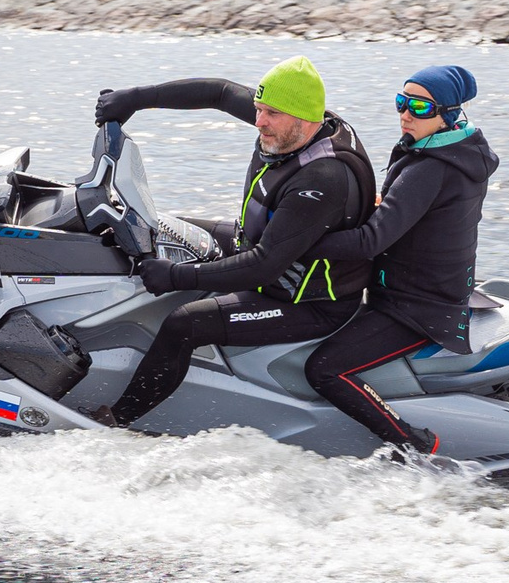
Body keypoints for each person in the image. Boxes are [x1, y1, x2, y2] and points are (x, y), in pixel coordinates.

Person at [91, 57, 379, 426]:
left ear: (304, 120)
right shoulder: (299, 119)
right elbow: (220, 92)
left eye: (270, 115)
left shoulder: (323, 178)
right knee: (161, 225)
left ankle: (115, 421)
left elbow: (262, 265)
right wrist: (135, 98)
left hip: (308, 301)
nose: (259, 122)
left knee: (184, 324)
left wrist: (176, 276)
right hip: (266, 249)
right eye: (258, 110)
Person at [301, 65, 498, 456]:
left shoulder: (432, 167)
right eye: (401, 102)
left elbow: (371, 241)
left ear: (450, 113)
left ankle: (412, 442)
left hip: (419, 308)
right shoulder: (449, 150)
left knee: (323, 369)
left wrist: (295, 244)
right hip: (419, 288)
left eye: (420, 107)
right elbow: (402, 214)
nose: (406, 114)